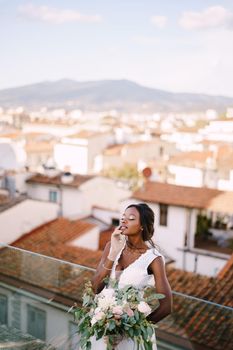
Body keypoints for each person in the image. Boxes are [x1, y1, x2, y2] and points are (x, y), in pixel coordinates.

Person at [91, 203, 172, 349]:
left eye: (131, 218)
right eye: (123, 217)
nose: (124, 220)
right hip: (102, 327)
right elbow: (96, 288)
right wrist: (113, 254)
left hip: (129, 338)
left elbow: (166, 306)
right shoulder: (111, 245)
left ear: (142, 226)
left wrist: (134, 329)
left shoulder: (154, 259)